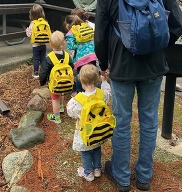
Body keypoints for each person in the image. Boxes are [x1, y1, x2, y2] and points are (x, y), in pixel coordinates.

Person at [94, 0, 182, 191]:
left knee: (121, 121)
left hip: (121, 65)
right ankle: (144, 176)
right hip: (154, 64)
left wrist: (102, 64)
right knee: (150, 121)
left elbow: (100, 34)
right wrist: (156, 45)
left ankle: (122, 176)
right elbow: (177, 24)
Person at [66, 64, 111, 182]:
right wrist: (104, 80)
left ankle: (88, 172)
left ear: (81, 81)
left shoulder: (77, 100)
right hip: (98, 130)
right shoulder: (102, 94)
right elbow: (108, 92)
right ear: (97, 79)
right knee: (96, 148)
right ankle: (97, 169)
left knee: (85, 152)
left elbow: (70, 112)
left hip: (84, 132)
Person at [39, 30, 73, 124]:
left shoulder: (49, 57)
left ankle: (56, 117)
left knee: (55, 99)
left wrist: (42, 82)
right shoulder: (67, 56)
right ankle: (61, 107)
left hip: (54, 84)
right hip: (65, 82)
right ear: (64, 43)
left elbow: (44, 72)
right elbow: (72, 67)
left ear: (50, 44)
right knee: (61, 93)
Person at [64, 15, 98, 93]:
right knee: (93, 75)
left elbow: (71, 46)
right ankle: (94, 92)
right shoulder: (86, 27)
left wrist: (78, 45)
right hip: (92, 56)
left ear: (68, 25)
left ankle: (81, 94)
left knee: (81, 77)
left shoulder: (71, 32)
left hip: (81, 58)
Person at [26, 4, 50, 79]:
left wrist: (27, 30)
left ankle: (36, 73)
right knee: (43, 58)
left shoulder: (32, 24)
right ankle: (43, 71)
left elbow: (29, 34)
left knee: (36, 59)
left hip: (35, 45)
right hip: (43, 44)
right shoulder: (45, 22)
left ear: (31, 15)